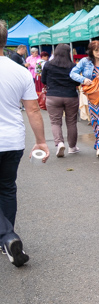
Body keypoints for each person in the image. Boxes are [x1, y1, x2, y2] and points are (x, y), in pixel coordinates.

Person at [0, 21, 49, 267]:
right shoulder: (20, 70)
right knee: (7, 187)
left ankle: (7, 236)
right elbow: (33, 110)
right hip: (12, 140)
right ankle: (6, 243)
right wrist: (41, 141)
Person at [42, 44, 81, 157]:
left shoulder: (48, 65)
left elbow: (43, 80)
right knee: (71, 122)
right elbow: (77, 82)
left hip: (53, 96)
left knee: (55, 122)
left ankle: (59, 143)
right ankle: (72, 147)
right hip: (70, 96)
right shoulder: (73, 66)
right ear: (68, 53)